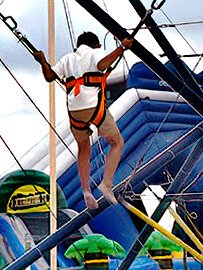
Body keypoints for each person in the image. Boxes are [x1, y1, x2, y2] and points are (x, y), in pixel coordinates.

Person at [33, 33, 131, 208]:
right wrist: (121, 48)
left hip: (75, 111)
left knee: (83, 148)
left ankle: (86, 190)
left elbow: (49, 76)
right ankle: (106, 183)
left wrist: (42, 61)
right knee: (117, 142)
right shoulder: (94, 53)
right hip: (93, 107)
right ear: (96, 45)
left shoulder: (68, 58)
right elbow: (103, 64)